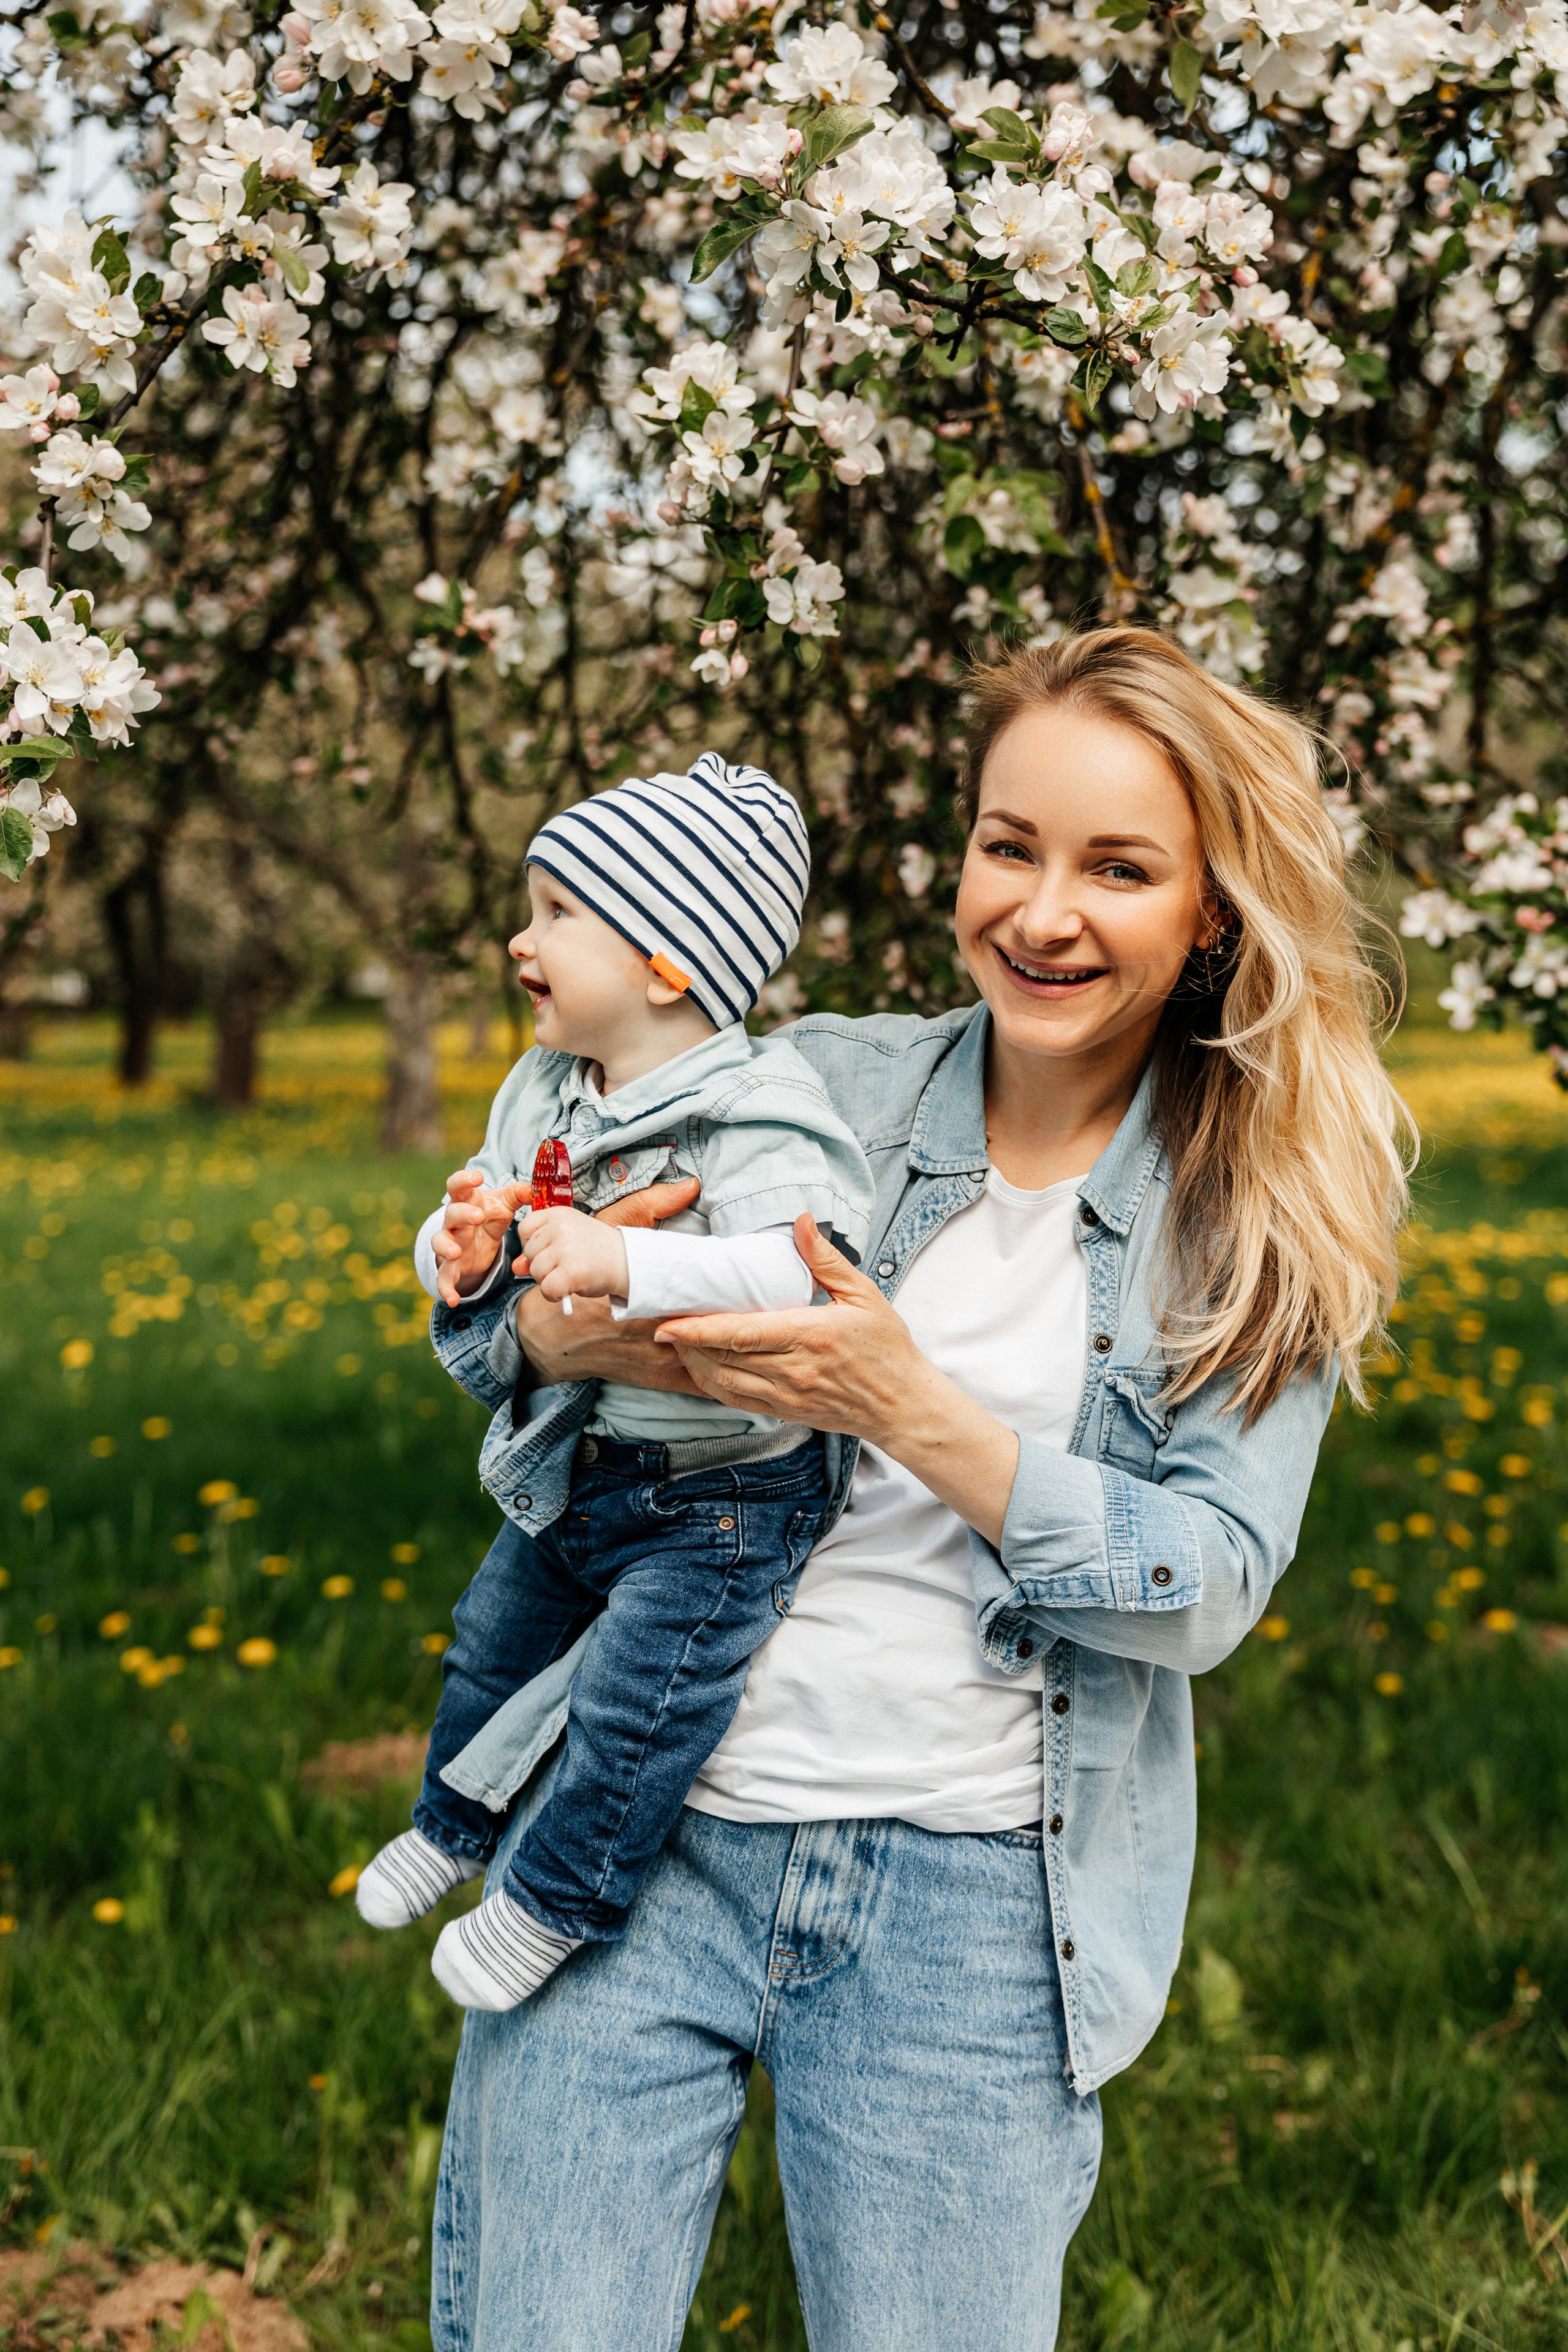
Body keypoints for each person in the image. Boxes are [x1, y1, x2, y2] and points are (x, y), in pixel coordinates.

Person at [421, 629, 1411, 2351]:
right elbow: (537, 1352)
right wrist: (546, 1323)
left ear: (1211, 913)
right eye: (1008, 844)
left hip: (965, 1914)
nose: (1041, 912)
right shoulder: (809, 1088)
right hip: (640, 1831)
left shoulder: (1259, 1214)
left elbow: (1210, 1585)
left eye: (1119, 868)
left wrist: (906, 1403)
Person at [353, 752, 875, 2010]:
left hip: (724, 1498)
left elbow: (807, 1269)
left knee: (642, 1706)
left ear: (666, 965)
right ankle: (450, 1820)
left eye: (556, 913)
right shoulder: (543, 1086)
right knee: (489, 1642)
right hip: (590, 1459)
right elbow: (473, 1226)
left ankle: (554, 1900)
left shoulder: (754, 1107)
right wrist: (457, 1250)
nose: (520, 938)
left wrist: (625, 1257)